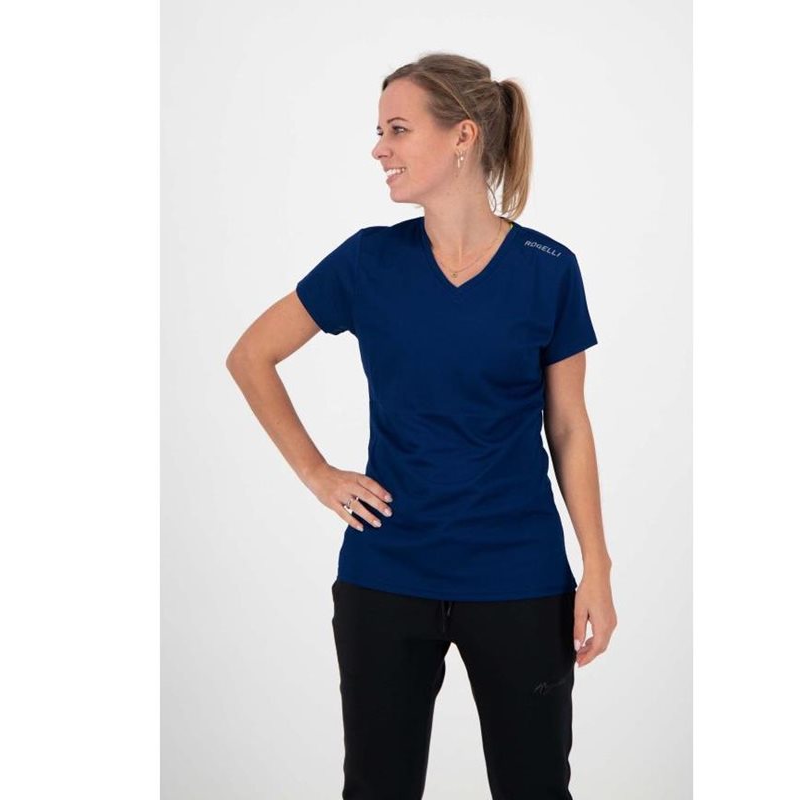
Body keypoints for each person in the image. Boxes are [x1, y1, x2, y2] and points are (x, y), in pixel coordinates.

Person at [226, 52, 616, 800]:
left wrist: (596, 566)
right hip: (386, 575)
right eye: (380, 131)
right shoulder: (369, 261)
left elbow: (569, 426)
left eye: (398, 130)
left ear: (463, 135)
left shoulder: (548, 268)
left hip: (519, 578)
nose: (380, 149)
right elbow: (251, 356)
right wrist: (318, 474)